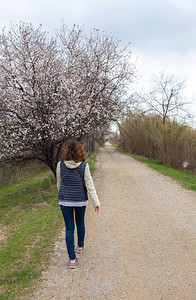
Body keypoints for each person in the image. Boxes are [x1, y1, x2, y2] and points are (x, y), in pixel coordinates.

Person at [56, 140, 100, 269]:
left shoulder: (60, 165)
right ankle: (80, 246)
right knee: (80, 223)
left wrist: (64, 194)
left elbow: (59, 183)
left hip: (64, 200)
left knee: (69, 228)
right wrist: (96, 202)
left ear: (66, 151)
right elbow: (89, 186)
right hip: (80, 200)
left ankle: (72, 259)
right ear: (80, 151)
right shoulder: (84, 166)